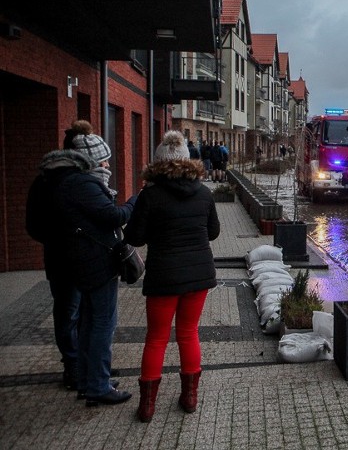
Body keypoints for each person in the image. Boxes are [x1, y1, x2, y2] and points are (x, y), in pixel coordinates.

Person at [123, 131, 220, 422]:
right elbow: (213, 232)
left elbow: (135, 238)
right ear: (186, 160)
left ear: (159, 162)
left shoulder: (149, 196)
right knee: (188, 333)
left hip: (163, 276)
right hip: (199, 275)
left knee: (156, 338)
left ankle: (147, 406)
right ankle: (190, 398)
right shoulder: (204, 193)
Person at [49, 132, 135, 406]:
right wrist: (134, 201)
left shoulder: (69, 182)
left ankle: (89, 381)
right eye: (105, 161)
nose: (108, 166)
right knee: (102, 324)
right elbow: (113, 216)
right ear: (91, 161)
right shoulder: (83, 184)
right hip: (96, 263)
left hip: (85, 262)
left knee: (88, 323)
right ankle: (98, 386)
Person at [26, 119, 94, 390]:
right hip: (67, 260)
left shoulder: (76, 180)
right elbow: (35, 225)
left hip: (78, 259)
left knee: (82, 311)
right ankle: (74, 366)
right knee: (69, 311)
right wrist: (63, 239)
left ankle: (86, 362)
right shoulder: (48, 182)